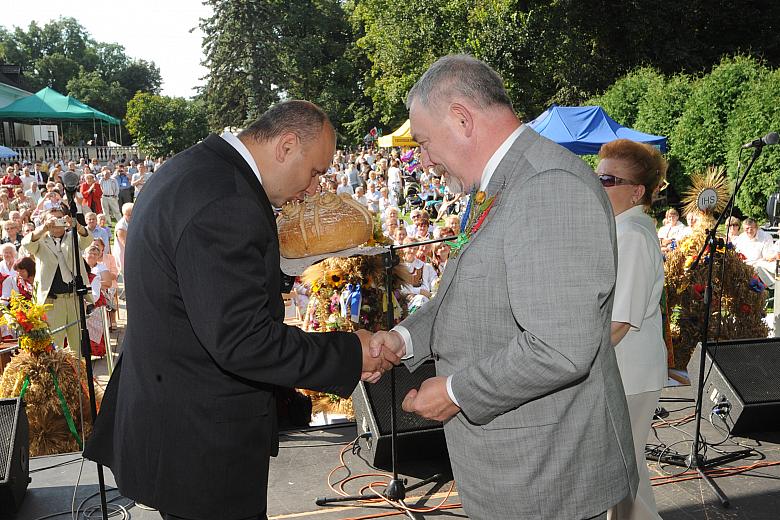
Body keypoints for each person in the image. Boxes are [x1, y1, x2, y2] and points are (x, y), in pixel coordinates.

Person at [83, 100, 399, 520]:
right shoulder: (226, 200)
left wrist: (284, 268)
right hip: (200, 443)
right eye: (315, 172)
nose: (314, 188)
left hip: (175, 420)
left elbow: (203, 290)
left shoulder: (195, 168)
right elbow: (243, 340)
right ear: (286, 146)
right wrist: (351, 353)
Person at [369, 55, 637, 519]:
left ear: (462, 119)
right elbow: (462, 293)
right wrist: (402, 339)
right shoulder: (497, 185)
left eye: (425, 142)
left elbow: (560, 348)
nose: (424, 160)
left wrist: (454, 392)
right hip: (518, 470)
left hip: (547, 477)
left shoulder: (548, 186)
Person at [597, 139, 667, 520]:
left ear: (637, 191)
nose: (599, 185)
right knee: (625, 479)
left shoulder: (632, 236)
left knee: (624, 481)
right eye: (598, 177)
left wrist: (573, 359)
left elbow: (619, 323)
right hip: (625, 371)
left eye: (608, 180)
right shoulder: (625, 229)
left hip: (629, 374)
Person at [20, 206, 93, 352]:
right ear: (44, 222)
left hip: (73, 298)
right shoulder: (40, 240)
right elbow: (26, 243)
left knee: (78, 347)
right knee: (53, 347)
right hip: (52, 302)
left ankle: (79, 368)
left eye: (59, 218)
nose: (56, 222)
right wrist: (43, 229)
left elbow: (87, 239)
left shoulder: (73, 237)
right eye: (52, 219)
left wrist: (76, 225)